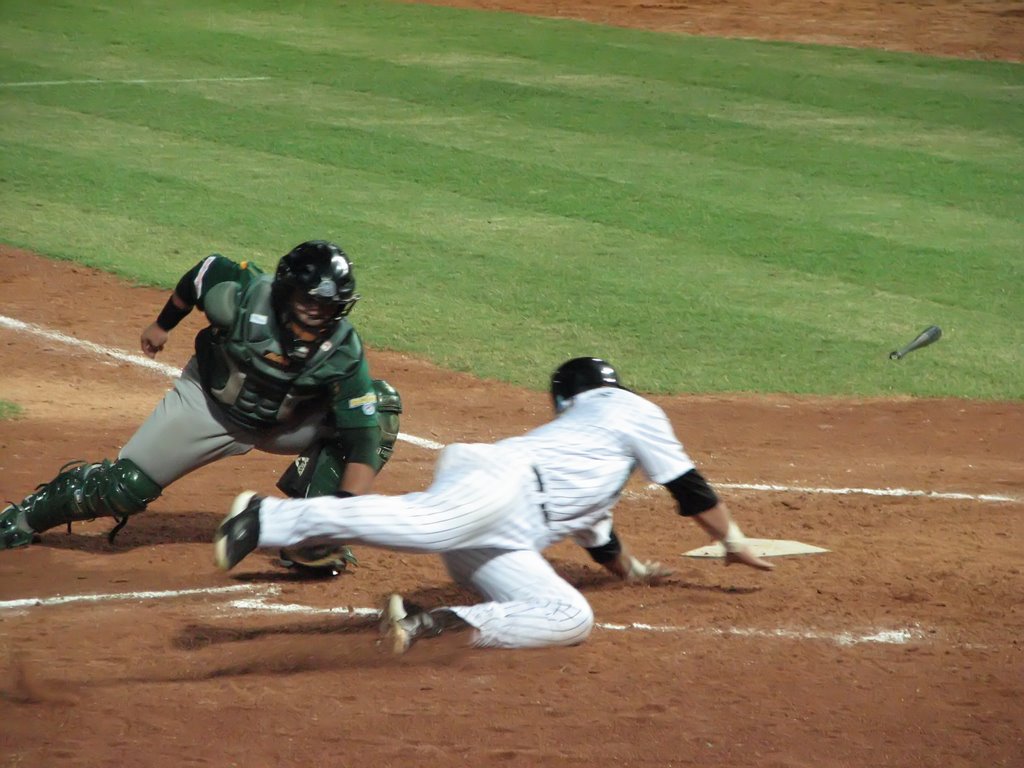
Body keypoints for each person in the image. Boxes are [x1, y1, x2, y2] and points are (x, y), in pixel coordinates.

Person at [213, 356, 773, 653]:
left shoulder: (593, 460)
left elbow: (601, 539)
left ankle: (434, 623)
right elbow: (688, 485)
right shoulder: (629, 408)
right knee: (428, 526)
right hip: (503, 482)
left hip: (507, 533)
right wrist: (733, 539)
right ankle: (267, 518)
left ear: (562, 401)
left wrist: (635, 573)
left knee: (570, 616)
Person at [0, 240, 402, 574]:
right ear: (285, 291)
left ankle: (309, 540)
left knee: (378, 407)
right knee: (122, 488)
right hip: (209, 406)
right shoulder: (243, 298)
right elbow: (202, 272)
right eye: (308, 300)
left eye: (330, 306)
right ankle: (22, 518)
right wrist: (163, 324)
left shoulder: (343, 350)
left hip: (285, 423)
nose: (319, 311)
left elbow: (363, 439)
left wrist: (338, 521)